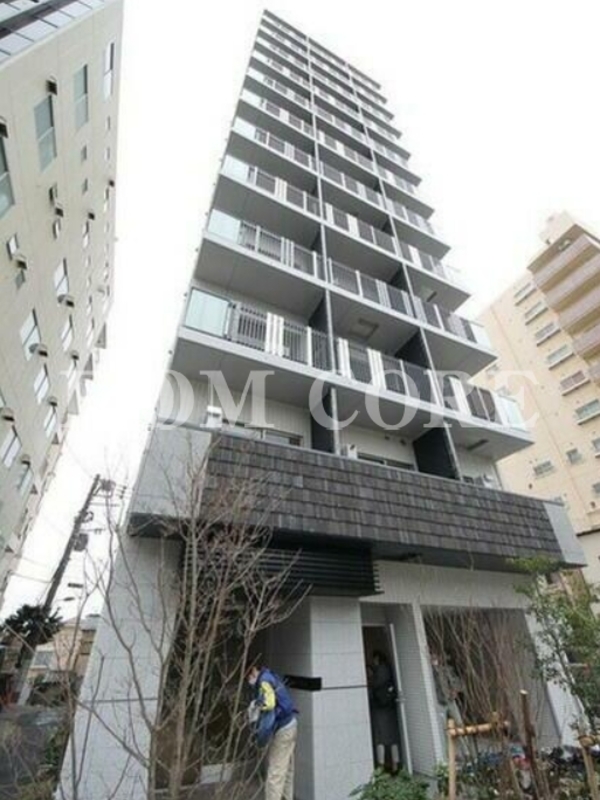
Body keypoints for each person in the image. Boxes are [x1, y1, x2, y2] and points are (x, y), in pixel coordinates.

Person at [247, 663, 298, 800]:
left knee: (275, 773)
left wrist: (257, 705)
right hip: (291, 724)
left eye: (249, 676)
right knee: (287, 769)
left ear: (254, 670)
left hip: (283, 729)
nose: (249, 680)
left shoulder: (264, 681)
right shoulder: (271, 676)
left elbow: (269, 703)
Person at [368, 650, 401, 772]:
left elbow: (375, 685)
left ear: (377, 659)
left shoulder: (381, 671)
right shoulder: (388, 670)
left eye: (374, 659)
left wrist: (371, 676)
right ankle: (395, 764)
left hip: (380, 708)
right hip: (389, 708)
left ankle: (381, 765)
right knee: (392, 738)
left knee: (380, 739)